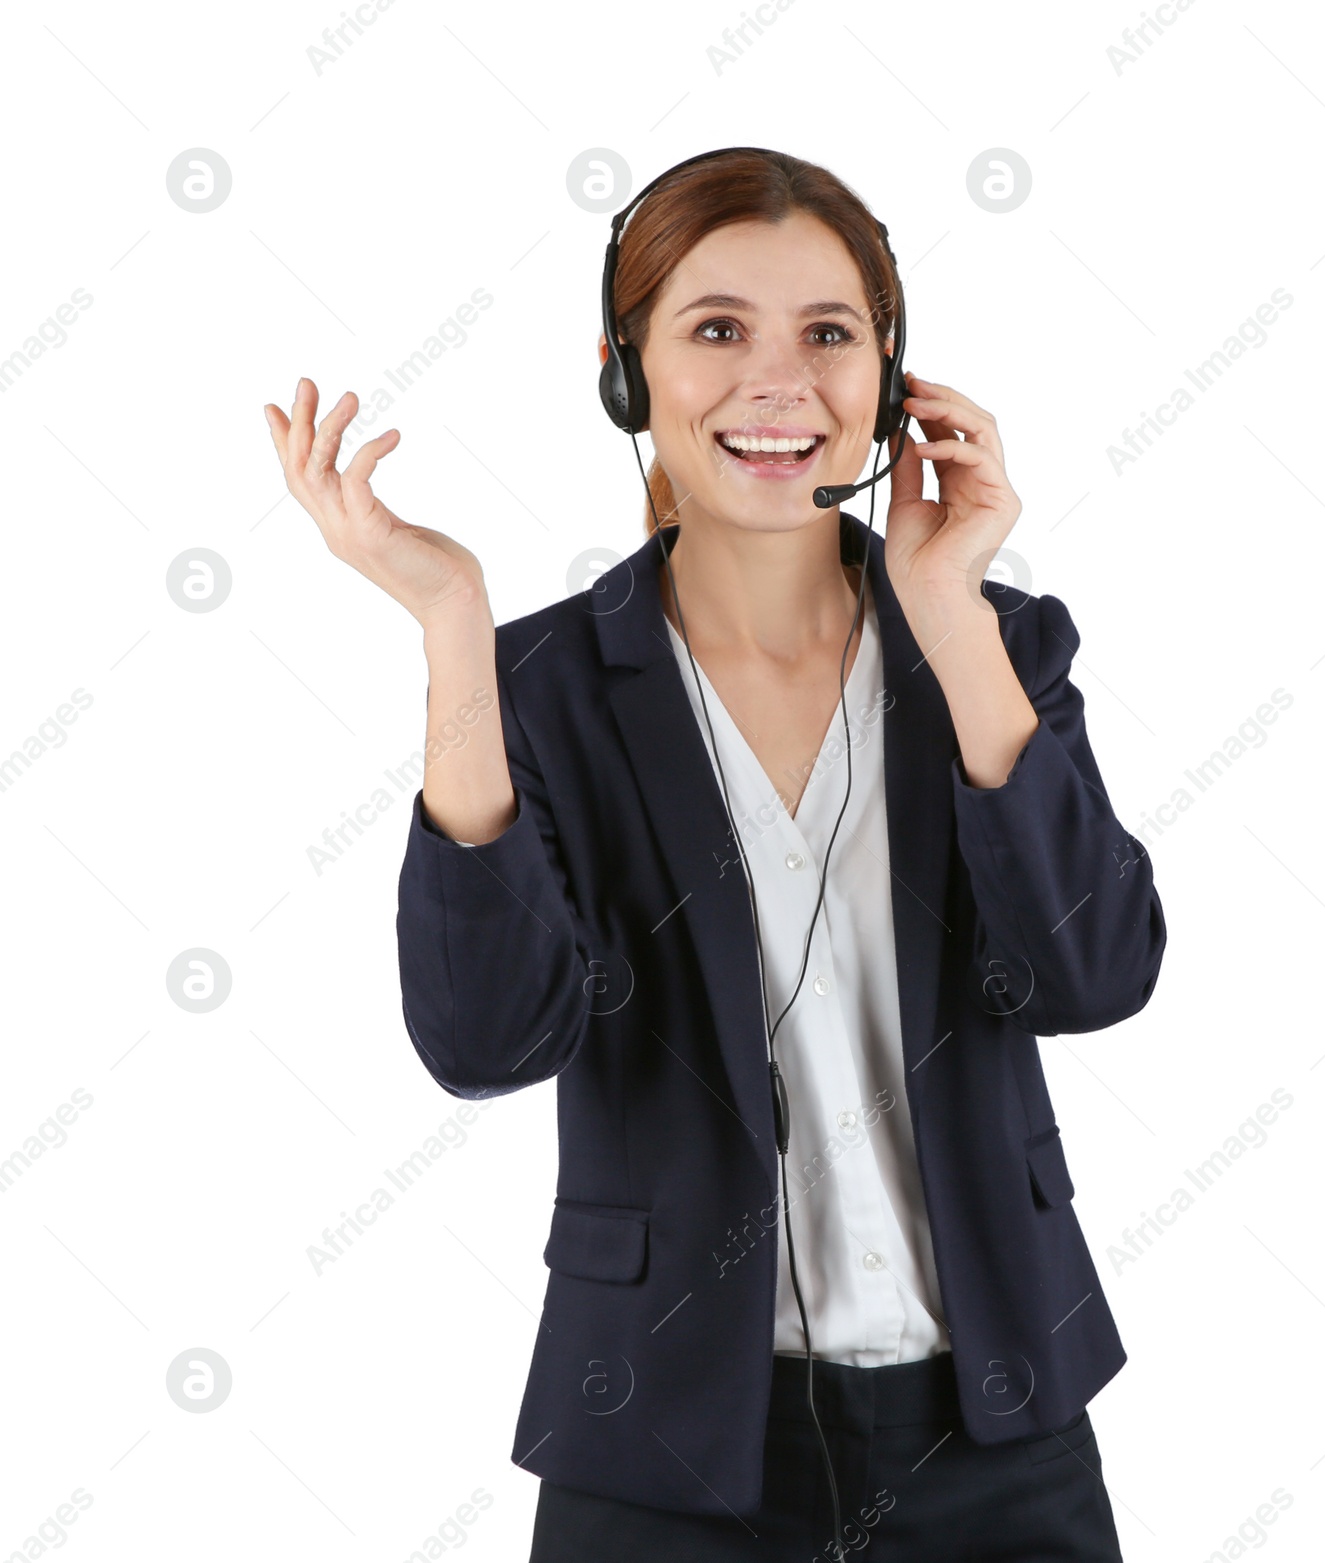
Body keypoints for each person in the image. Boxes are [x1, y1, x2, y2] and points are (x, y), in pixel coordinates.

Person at [264, 146, 1165, 1563]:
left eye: (829, 335)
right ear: (628, 375)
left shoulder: (997, 644)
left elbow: (1096, 973)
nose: (779, 383)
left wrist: (949, 604)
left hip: (997, 1429)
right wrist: (453, 630)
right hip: (669, 1444)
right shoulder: (538, 689)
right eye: (717, 330)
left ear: (892, 373)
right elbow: (486, 1041)